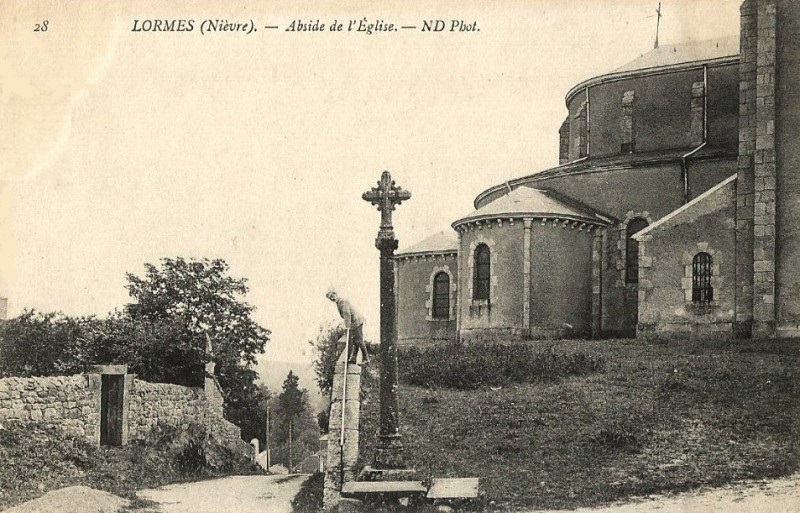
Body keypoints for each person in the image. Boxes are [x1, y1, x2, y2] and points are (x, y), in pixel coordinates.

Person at [326, 288, 370, 365]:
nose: (332, 298)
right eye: (330, 298)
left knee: (358, 340)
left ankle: (366, 358)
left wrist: (347, 327)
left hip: (356, 321)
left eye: (332, 296)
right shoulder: (338, 302)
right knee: (355, 341)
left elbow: (347, 314)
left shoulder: (342, 301)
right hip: (354, 322)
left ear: (335, 294)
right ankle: (353, 358)